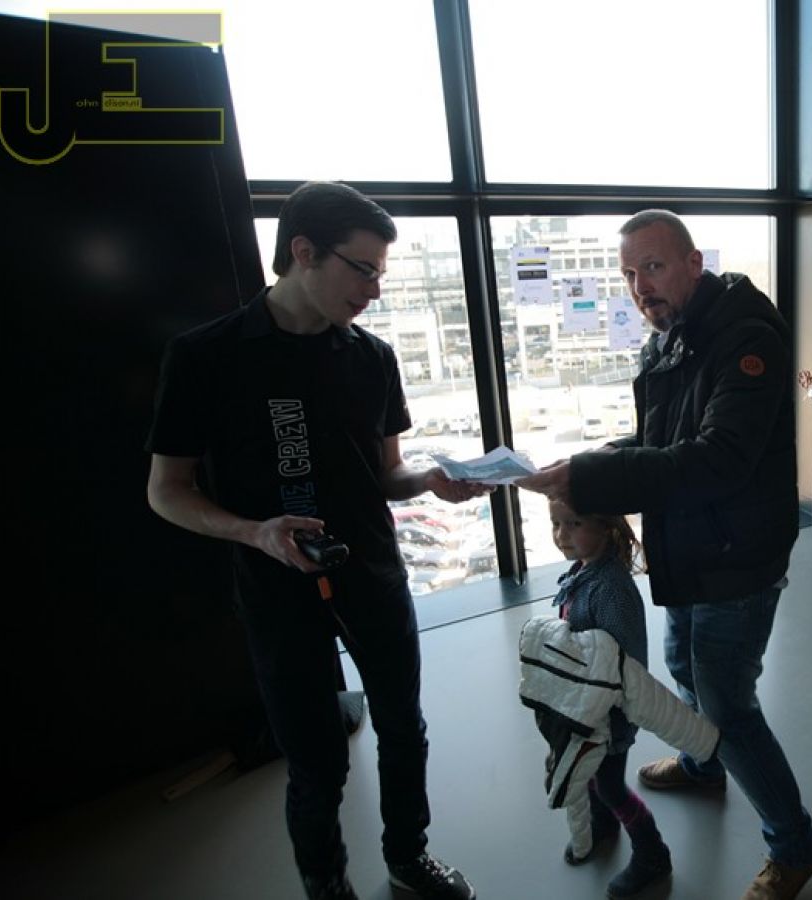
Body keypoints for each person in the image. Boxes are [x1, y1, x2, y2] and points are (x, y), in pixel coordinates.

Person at [145, 181, 487, 900]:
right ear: (303, 251)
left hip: (372, 573)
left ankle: (408, 857)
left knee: (404, 729)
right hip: (276, 589)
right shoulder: (205, 357)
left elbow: (387, 473)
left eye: (381, 274)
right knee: (315, 760)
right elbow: (166, 489)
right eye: (363, 269)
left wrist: (431, 479)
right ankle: (327, 885)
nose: (375, 290)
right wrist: (254, 531)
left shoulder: (372, 357)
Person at [517, 209, 812, 900]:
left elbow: (719, 459)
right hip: (689, 542)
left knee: (727, 703)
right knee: (683, 662)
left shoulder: (744, 336)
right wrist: (585, 463)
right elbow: (662, 441)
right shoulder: (673, 336)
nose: (640, 287)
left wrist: (590, 477)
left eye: (653, 268)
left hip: (735, 554)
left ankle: (795, 846)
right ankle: (702, 764)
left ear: (693, 263)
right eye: (629, 274)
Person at [546, 499, 672, 897]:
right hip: (584, 706)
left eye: (573, 524)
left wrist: (607, 713)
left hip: (610, 713)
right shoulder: (582, 572)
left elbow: (624, 666)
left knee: (610, 786)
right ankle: (603, 823)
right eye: (555, 523)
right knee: (589, 774)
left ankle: (652, 853)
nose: (561, 535)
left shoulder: (612, 591)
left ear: (606, 527)